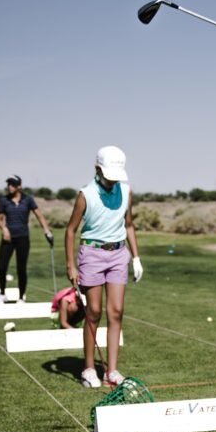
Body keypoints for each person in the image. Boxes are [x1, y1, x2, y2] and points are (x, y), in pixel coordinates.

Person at [64, 146, 143, 388]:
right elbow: (70, 231)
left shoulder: (126, 191)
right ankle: (89, 368)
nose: (112, 180)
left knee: (116, 311)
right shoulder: (85, 195)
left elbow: (128, 224)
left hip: (119, 254)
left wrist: (136, 257)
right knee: (94, 312)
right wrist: (71, 266)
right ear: (97, 169)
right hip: (92, 254)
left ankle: (112, 371)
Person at [0, 175, 53, 303]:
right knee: (2, 267)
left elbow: (39, 216)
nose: (10, 186)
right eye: (8, 184)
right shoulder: (4, 200)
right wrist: (4, 229)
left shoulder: (28, 200)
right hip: (7, 239)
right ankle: (2, 293)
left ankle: (21, 297)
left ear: (19, 186)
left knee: (21, 268)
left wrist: (47, 231)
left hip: (22, 238)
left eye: (12, 184)